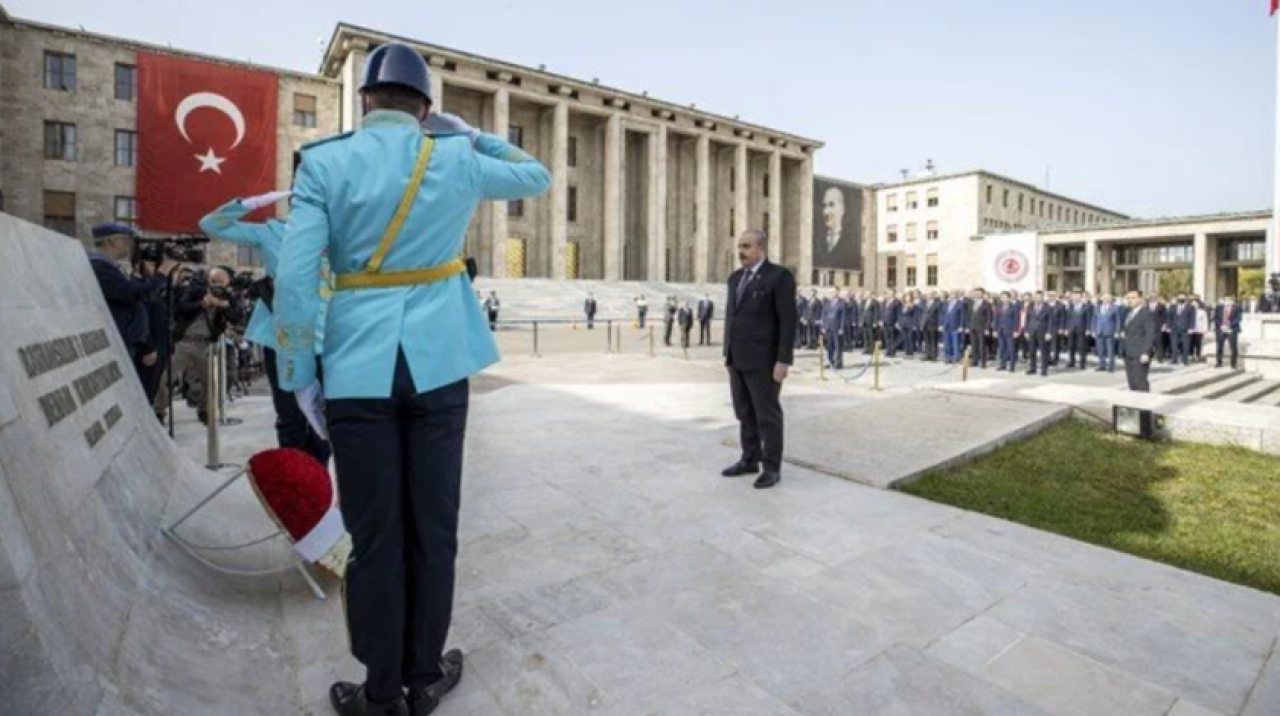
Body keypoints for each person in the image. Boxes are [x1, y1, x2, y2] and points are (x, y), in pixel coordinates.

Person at [272, 43, 551, 716]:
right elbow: (535, 175)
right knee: (435, 522)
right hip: (437, 363)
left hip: (356, 367)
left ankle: (380, 690)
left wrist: (296, 371)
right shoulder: (454, 156)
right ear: (426, 107)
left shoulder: (324, 161)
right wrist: (474, 133)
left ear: (365, 101)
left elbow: (295, 277)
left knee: (373, 533)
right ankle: (425, 673)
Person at [199, 188, 332, 466]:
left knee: (325, 413)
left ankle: (318, 477)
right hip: (281, 336)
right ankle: (296, 477)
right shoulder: (271, 232)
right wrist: (254, 202)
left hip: (327, 336)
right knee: (289, 414)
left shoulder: (338, 235)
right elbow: (210, 223)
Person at [721, 229, 796, 491]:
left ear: (761, 247)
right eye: (739, 246)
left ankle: (771, 467)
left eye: (746, 246)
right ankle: (749, 459)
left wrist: (783, 360)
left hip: (765, 360)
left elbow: (788, 321)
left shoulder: (779, 276)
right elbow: (732, 317)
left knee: (767, 415)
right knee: (744, 412)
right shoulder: (735, 279)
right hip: (736, 357)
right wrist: (727, 353)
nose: (740, 251)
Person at [87, 223, 166, 395]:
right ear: (113, 241)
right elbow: (130, 294)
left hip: (128, 339)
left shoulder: (110, 266)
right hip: (120, 339)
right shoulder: (99, 266)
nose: (131, 246)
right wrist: (161, 276)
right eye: (128, 241)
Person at [168, 267, 241, 424]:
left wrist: (223, 305)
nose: (217, 285)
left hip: (207, 344)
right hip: (185, 341)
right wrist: (201, 304)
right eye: (214, 281)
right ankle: (159, 410)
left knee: (210, 382)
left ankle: (205, 411)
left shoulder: (229, 297)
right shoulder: (196, 291)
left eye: (221, 282)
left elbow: (237, 317)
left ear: (227, 282)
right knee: (167, 377)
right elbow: (180, 308)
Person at [1122, 290, 1158, 391]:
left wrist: (1146, 352)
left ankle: (1143, 405)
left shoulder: (1146, 313)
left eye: (1133, 298)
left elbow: (1150, 334)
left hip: (1140, 353)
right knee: (1132, 382)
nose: (1130, 300)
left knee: (1140, 381)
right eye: (1128, 298)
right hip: (1129, 352)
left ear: (1140, 299)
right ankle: (1134, 404)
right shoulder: (1129, 313)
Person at [1026, 291, 1056, 377]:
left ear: (1043, 298)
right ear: (1034, 298)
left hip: (1043, 332)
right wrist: (1026, 331)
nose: (1038, 298)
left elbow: (1051, 321)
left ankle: (1044, 369)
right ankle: (1032, 368)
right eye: (1036, 297)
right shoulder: (1030, 307)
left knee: (1044, 352)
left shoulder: (1048, 308)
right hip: (1032, 331)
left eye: (1040, 297)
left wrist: (1049, 332)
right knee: (1032, 351)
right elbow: (1027, 320)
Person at [1065, 290, 1093, 370]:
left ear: (1081, 297)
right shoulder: (1070, 306)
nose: (1075, 297)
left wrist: (1088, 329)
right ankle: (1071, 362)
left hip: (1082, 329)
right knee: (1071, 346)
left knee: (1081, 347)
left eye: (1077, 296)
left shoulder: (1085, 306)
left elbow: (1088, 318)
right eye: (1074, 296)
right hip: (1071, 328)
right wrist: (1066, 328)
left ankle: (1082, 363)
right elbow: (1067, 318)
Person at [1093, 294, 1120, 373]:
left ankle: (1110, 366)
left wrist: (1117, 331)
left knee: (1110, 350)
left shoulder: (1115, 308)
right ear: (1102, 299)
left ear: (1111, 299)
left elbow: (1118, 321)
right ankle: (1102, 365)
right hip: (1099, 331)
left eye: (1108, 298)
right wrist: (1093, 330)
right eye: (1104, 298)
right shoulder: (1097, 307)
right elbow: (1094, 319)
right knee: (1100, 349)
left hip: (1110, 331)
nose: (1106, 299)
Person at [967, 288, 992, 369]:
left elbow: (989, 317)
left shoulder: (987, 304)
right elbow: (969, 315)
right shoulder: (971, 303)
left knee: (982, 346)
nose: (977, 294)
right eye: (976, 293)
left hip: (981, 327)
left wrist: (987, 328)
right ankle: (975, 361)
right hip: (972, 327)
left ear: (983, 294)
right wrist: (968, 326)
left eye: (979, 293)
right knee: (974, 345)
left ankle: (983, 362)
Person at [1215, 295, 1242, 369]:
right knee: (1219, 346)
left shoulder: (1237, 308)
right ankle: (1219, 362)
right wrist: (1221, 325)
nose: (1227, 301)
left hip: (1232, 329)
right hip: (1221, 329)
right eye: (1226, 300)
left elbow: (1239, 318)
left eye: (1229, 300)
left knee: (1233, 347)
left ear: (1232, 301)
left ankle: (1233, 364)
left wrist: (1229, 325)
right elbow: (1216, 318)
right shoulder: (1219, 308)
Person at [820, 288, 845, 369]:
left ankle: (838, 363)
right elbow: (823, 314)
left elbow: (843, 317)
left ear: (838, 292)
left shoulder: (842, 302)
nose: (833, 293)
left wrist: (841, 328)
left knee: (838, 346)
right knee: (829, 346)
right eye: (831, 292)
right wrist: (823, 326)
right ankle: (830, 361)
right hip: (828, 327)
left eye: (834, 291)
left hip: (837, 327)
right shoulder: (827, 302)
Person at [995, 291, 1018, 372]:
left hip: (1010, 330)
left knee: (1011, 348)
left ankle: (1012, 366)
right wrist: (995, 330)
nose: (1003, 299)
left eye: (1005, 297)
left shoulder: (1014, 306)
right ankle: (1002, 365)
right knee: (1002, 348)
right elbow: (996, 318)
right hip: (1000, 330)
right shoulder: (999, 306)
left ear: (1009, 298)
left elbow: (1016, 319)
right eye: (1002, 297)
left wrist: (1016, 330)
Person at [942, 290, 967, 364]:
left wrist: (961, 326)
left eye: (952, 294)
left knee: (955, 343)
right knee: (947, 342)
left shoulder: (960, 304)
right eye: (950, 294)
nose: (951, 296)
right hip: (947, 325)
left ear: (956, 295)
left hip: (955, 325)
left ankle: (956, 358)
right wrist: (941, 324)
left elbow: (962, 316)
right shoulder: (946, 303)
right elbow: (943, 314)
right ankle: (948, 357)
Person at [1172, 293, 1195, 366]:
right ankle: (1174, 359)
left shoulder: (1190, 307)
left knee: (1185, 345)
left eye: (1182, 297)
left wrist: (1191, 328)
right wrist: (1168, 326)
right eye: (1179, 297)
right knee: (1174, 345)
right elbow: (1169, 317)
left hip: (1185, 328)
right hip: (1174, 328)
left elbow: (1192, 318)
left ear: (1185, 298)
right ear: (1177, 298)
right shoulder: (1173, 307)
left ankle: (1185, 360)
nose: (1181, 299)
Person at [921, 291, 942, 362]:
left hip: (933, 324)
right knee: (927, 340)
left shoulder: (937, 303)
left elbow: (939, 314)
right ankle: (928, 355)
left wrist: (939, 324)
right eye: (927, 295)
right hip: (925, 324)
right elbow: (923, 314)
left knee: (934, 341)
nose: (928, 296)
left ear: (933, 295)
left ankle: (934, 356)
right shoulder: (925, 303)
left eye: (930, 294)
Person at [1191, 297, 1209, 362]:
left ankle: (1198, 355)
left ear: (1198, 304)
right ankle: (1192, 356)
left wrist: (1205, 329)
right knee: (1191, 343)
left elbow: (1205, 321)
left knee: (1198, 343)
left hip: (1199, 330)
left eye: (1196, 303)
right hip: (1191, 330)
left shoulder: (1202, 312)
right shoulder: (1189, 311)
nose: (1194, 305)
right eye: (1193, 304)